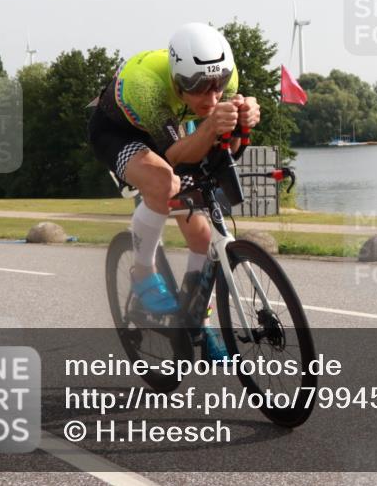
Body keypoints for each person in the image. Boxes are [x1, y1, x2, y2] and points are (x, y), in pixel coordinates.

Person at [88, 23, 260, 326]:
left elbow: (226, 151)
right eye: (198, 86)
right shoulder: (148, 86)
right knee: (163, 183)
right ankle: (142, 273)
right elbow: (175, 157)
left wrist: (241, 124)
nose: (212, 95)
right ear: (178, 82)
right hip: (119, 132)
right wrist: (210, 126)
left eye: (218, 83)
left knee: (202, 234)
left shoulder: (226, 79)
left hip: (173, 127)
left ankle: (196, 318)